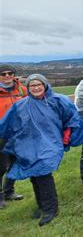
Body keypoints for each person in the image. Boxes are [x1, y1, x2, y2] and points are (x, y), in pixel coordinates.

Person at [0, 74, 83, 226]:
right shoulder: (21, 105)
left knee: (43, 173)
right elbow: (7, 123)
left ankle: (51, 209)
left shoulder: (58, 100)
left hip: (51, 143)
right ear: (28, 88)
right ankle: (42, 206)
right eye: (32, 85)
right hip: (30, 145)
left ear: (45, 85)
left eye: (39, 84)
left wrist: (67, 135)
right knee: (34, 175)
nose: (36, 88)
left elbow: (72, 118)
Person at [0, 65, 26, 209]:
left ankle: (9, 191)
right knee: (1, 166)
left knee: (15, 163)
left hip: (19, 133)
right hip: (1, 134)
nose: (7, 76)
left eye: (10, 73)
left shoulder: (21, 90)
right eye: (3, 74)